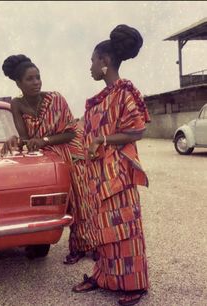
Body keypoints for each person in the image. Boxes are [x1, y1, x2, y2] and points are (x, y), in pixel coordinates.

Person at [72, 25, 150, 306]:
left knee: (125, 227)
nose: (90, 66)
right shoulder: (103, 96)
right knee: (103, 226)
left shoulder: (124, 92)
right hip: (98, 174)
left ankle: (134, 284)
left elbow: (137, 130)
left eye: (93, 60)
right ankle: (104, 276)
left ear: (104, 62)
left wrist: (102, 139)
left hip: (118, 173)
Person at [0, 54, 92, 264]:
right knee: (59, 202)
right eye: (30, 79)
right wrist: (15, 140)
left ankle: (84, 246)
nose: (36, 82)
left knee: (82, 199)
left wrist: (44, 140)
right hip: (45, 157)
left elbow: (71, 132)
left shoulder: (56, 98)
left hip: (71, 152)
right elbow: (25, 138)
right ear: (18, 83)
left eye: (38, 77)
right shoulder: (17, 104)